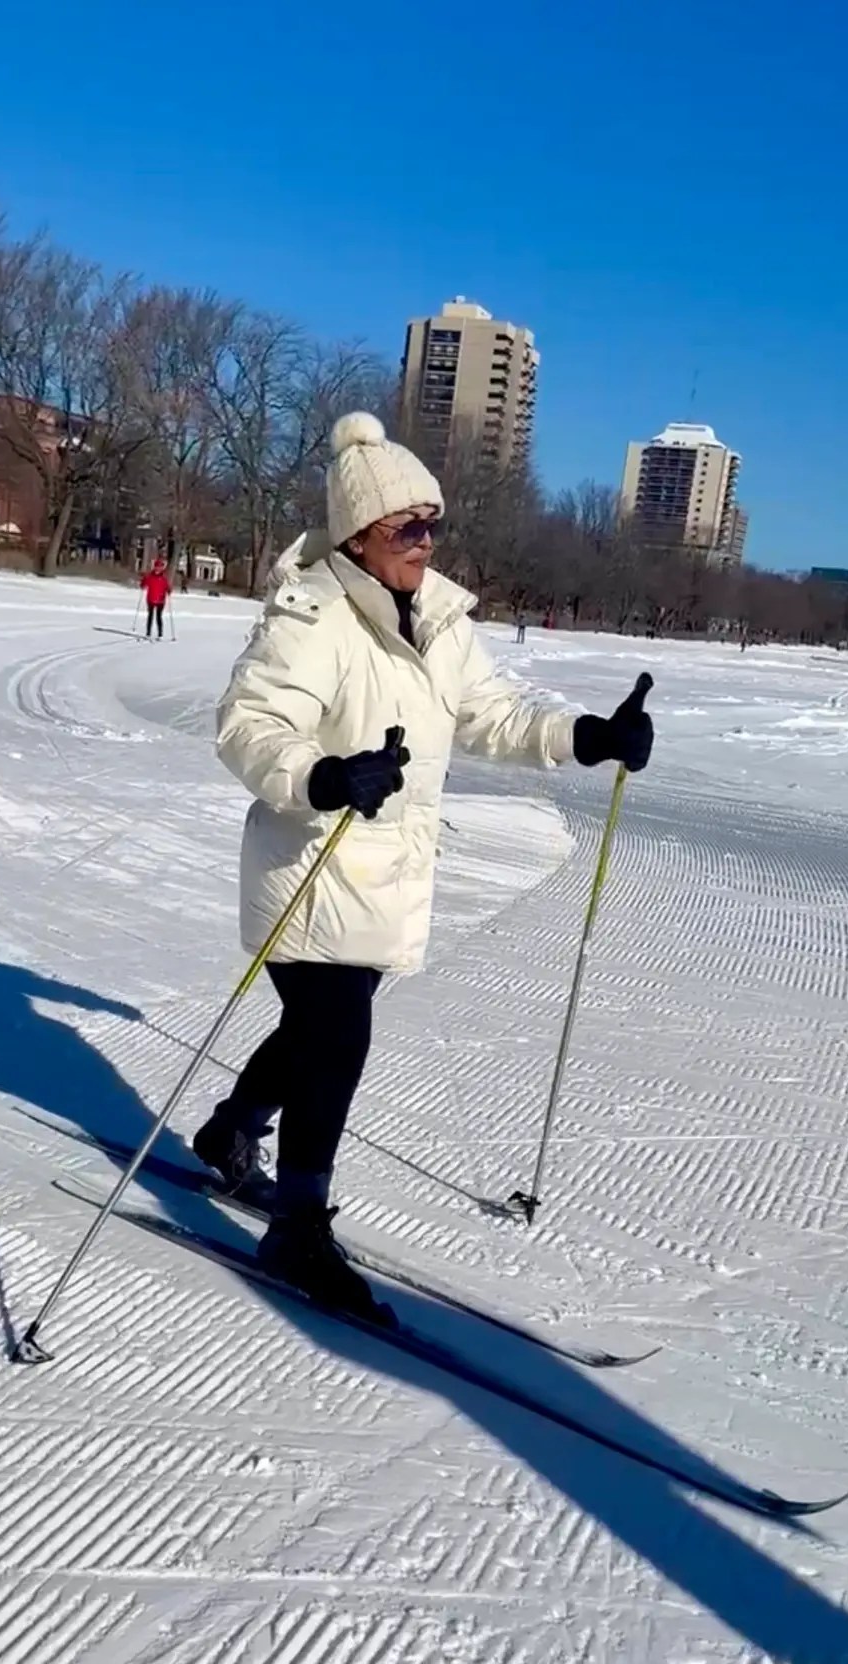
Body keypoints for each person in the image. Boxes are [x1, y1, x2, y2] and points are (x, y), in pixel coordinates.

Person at [192, 412, 653, 1318]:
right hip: (312, 861)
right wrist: (320, 774)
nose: (425, 541)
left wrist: (585, 735)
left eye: (432, 524)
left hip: (386, 872)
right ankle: (296, 1223)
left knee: (325, 1027)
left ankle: (232, 1129)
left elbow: (491, 710)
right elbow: (248, 728)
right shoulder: (311, 615)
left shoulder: (437, 616)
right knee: (336, 1037)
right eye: (409, 527)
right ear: (360, 533)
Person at [140, 556, 172, 639]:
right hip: (150, 599)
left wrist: (168, 590)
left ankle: (160, 634)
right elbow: (143, 585)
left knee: (158, 617)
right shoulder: (150, 577)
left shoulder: (163, 579)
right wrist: (143, 582)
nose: (158, 569)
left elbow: (167, 587)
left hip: (160, 600)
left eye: (160, 567)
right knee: (150, 616)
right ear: (154, 567)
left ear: (162, 568)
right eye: (157, 567)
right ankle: (148, 633)